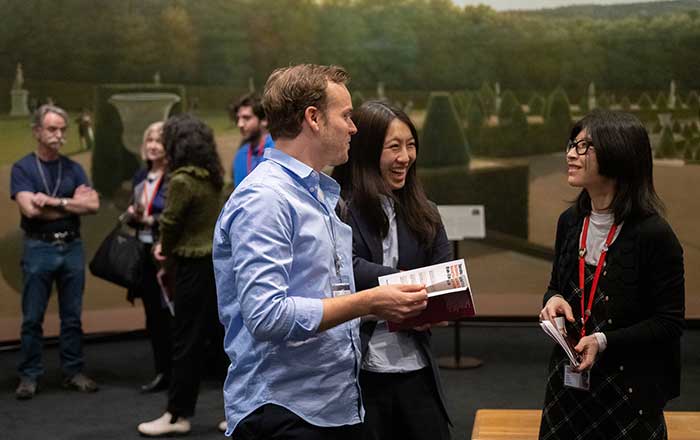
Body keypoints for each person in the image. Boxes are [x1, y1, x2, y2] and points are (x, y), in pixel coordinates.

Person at [213, 64, 429, 439]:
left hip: (331, 406)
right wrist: (368, 303)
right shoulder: (266, 199)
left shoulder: (316, 196)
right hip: (284, 411)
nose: (354, 127)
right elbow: (267, 316)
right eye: (345, 115)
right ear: (313, 118)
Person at [538, 109, 685, 439]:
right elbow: (554, 287)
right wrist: (555, 300)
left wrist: (603, 341)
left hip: (627, 392)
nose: (571, 154)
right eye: (572, 144)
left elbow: (669, 322)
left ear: (619, 154)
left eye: (584, 146)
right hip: (568, 386)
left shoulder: (654, 235)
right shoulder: (570, 221)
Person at [332, 101, 452, 440]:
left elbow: (445, 271)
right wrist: (408, 288)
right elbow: (346, 267)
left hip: (416, 363)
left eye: (411, 145)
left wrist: (437, 300)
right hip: (358, 369)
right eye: (394, 147)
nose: (405, 157)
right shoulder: (339, 208)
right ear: (368, 151)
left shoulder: (425, 211)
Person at [137, 114, 226, 437]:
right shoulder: (214, 177)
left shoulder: (181, 181)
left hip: (191, 269)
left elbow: (170, 224)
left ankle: (177, 415)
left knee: (185, 342)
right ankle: (239, 412)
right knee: (222, 342)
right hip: (217, 268)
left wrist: (163, 248)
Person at [10, 104, 100, 399]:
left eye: (62, 129)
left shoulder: (74, 167)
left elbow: (93, 205)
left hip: (72, 246)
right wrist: (70, 204)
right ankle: (29, 376)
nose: (59, 135)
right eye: (52, 129)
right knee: (33, 317)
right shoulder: (23, 168)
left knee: (72, 316)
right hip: (39, 247)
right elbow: (28, 210)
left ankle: (73, 372)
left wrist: (52, 202)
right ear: (37, 131)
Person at [122, 121, 172, 393]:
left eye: (159, 141)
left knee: (173, 317)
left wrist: (151, 219)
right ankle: (161, 371)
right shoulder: (141, 176)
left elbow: (174, 217)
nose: (153, 145)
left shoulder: (175, 177)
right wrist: (133, 215)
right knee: (153, 317)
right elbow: (138, 214)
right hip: (143, 254)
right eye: (150, 139)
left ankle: (180, 372)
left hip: (166, 254)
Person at [230, 92, 275, 187]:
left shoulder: (278, 151)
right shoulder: (241, 155)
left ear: (264, 120)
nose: (240, 124)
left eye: (246, 118)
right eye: (238, 119)